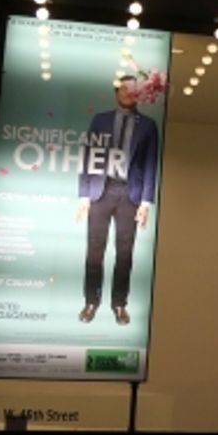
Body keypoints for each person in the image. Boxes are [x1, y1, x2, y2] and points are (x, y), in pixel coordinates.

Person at [74, 75, 160, 326]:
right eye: (123, 88)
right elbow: (87, 156)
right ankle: (91, 302)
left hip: (130, 195)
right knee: (94, 252)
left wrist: (146, 202)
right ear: (117, 92)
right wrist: (84, 195)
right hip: (100, 192)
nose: (128, 93)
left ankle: (119, 304)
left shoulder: (148, 125)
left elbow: (151, 164)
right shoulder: (100, 120)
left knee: (124, 254)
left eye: (133, 89)